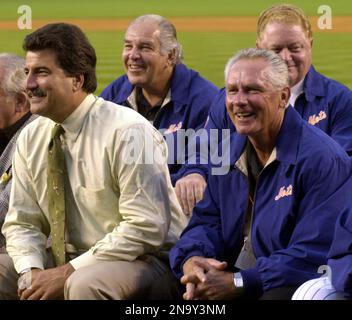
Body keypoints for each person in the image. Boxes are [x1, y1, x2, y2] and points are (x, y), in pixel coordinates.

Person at [0, 22, 187, 300]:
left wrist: (68, 271)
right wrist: (31, 270)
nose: (28, 85)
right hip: (66, 259)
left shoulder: (129, 132)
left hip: (143, 260)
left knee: (83, 285)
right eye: (28, 72)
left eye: (41, 72)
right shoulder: (31, 137)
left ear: (77, 79)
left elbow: (145, 227)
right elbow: (22, 222)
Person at [169, 48, 352, 300]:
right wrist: (193, 260)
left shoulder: (323, 159)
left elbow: (312, 253)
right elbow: (207, 222)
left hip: (288, 283)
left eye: (253, 90)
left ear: (283, 97)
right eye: (232, 90)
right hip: (236, 273)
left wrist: (240, 282)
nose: (239, 101)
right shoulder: (226, 152)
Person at [176, 3, 352, 212]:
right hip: (239, 212)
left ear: (310, 44)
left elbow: (339, 170)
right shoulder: (229, 100)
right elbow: (205, 148)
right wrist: (194, 172)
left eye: (295, 48)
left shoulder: (339, 100)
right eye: (275, 49)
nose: (285, 58)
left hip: (307, 210)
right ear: (259, 49)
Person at [100, 14, 219, 215]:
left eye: (145, 47)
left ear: (171, 56)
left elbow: (213, 154)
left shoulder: (205, 99)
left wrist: (195, 174)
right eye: (128, 46)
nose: (133, 55)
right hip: (123, 207)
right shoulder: (114, 96)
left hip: (178, 210)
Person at [0, 53, 37, 253]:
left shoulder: (35, 139)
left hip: (23, 250)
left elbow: (5, 209)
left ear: (20, 102)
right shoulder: (5, 127)